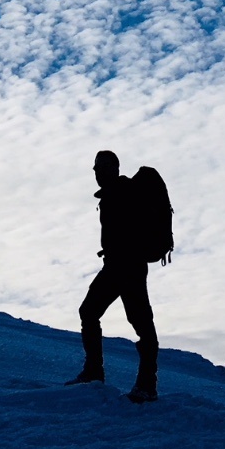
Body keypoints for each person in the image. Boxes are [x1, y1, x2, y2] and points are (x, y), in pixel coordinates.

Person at [66, 150, 159, 403]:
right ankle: (95, 372)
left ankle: (146, 385)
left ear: (114, 168)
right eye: (96, 168)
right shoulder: (111, 194)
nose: (98, 172)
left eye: (103, 167)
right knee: (91, 312)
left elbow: (131, 229)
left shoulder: (125, 191)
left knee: (140, 323)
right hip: (117, 266)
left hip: (128, 266)